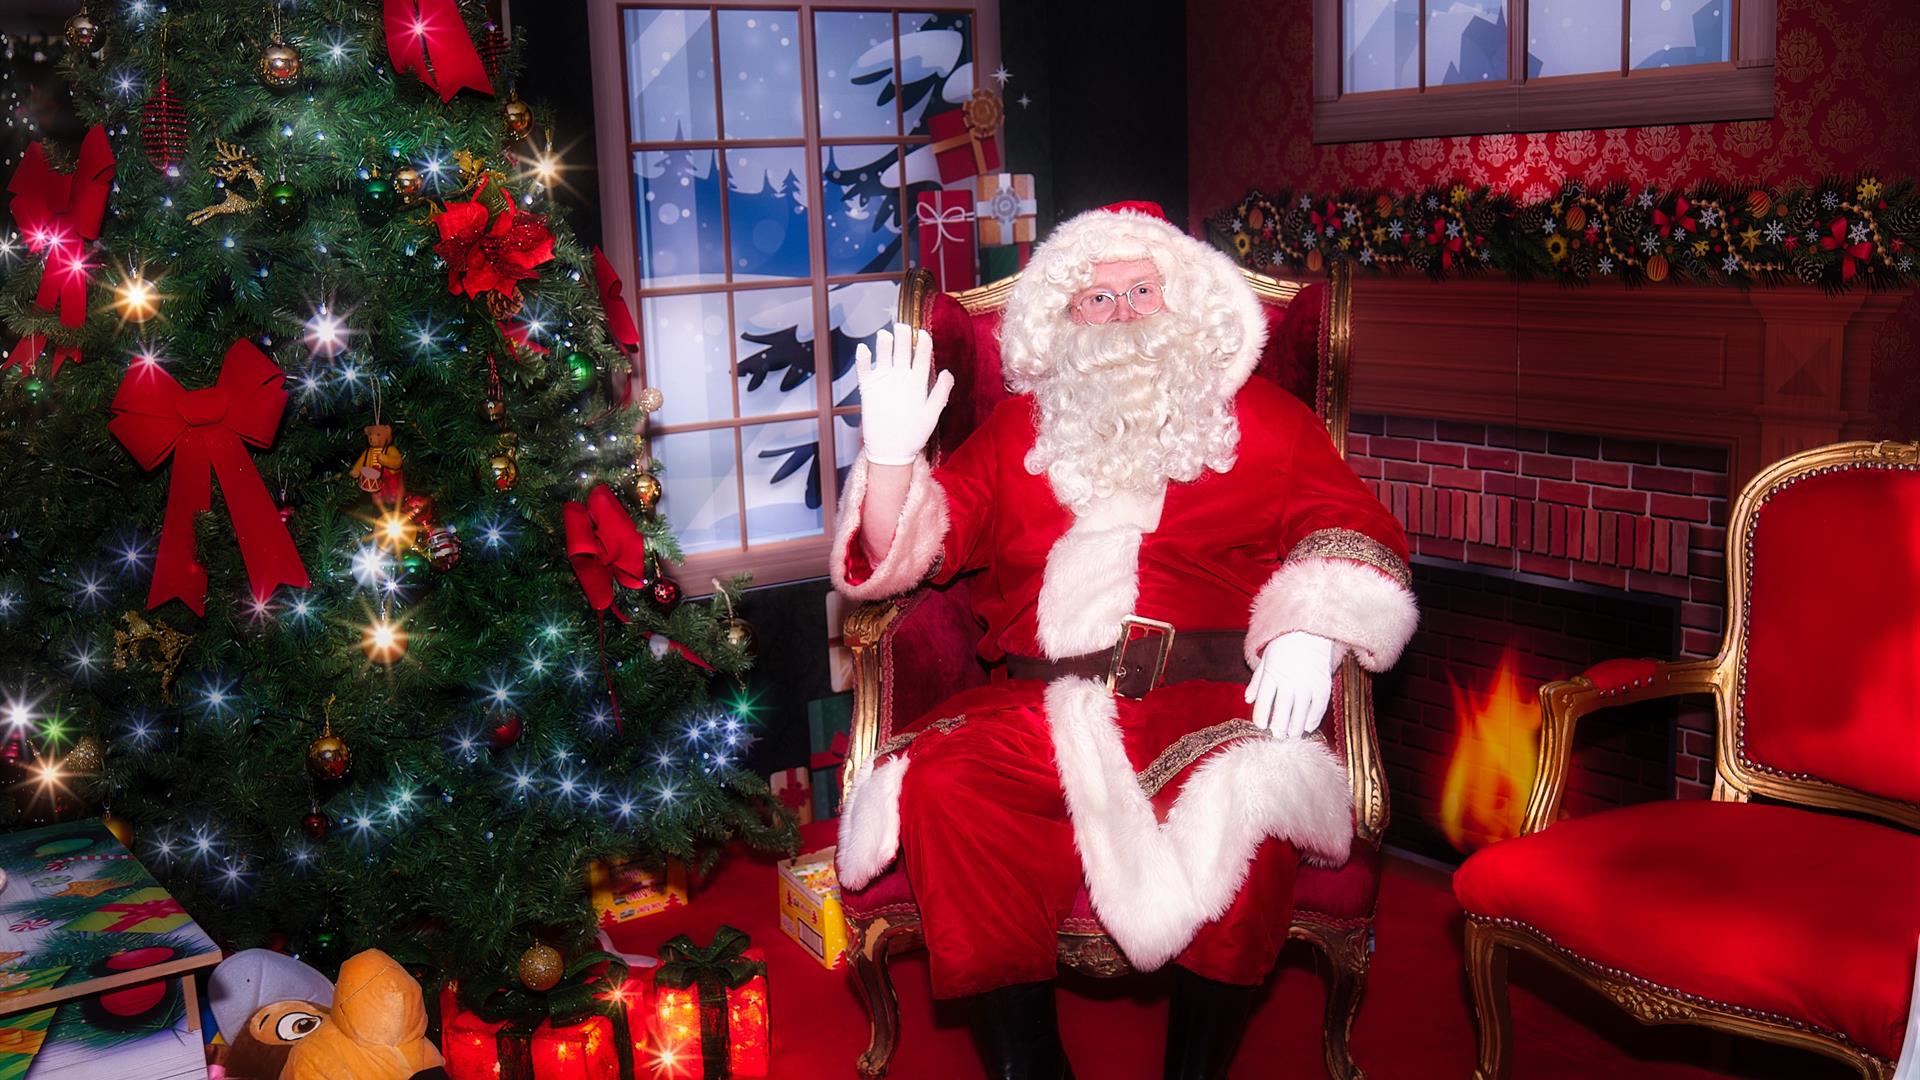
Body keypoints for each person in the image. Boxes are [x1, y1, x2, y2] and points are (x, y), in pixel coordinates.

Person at [829, 202, 1416, 1079]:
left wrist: (1314, 626)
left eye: (1142, 290)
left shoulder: (1264, 421)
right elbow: (914, 550)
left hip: (1211, 701)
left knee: (1250, 796)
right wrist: (885, 462)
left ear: (1187, 301)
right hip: (1034, 705)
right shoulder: (1018, 434)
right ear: (1061, 324)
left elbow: (1359, 534)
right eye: (1094, 301)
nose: (1123, 315)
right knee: (947, 786)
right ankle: (1031, 1068)